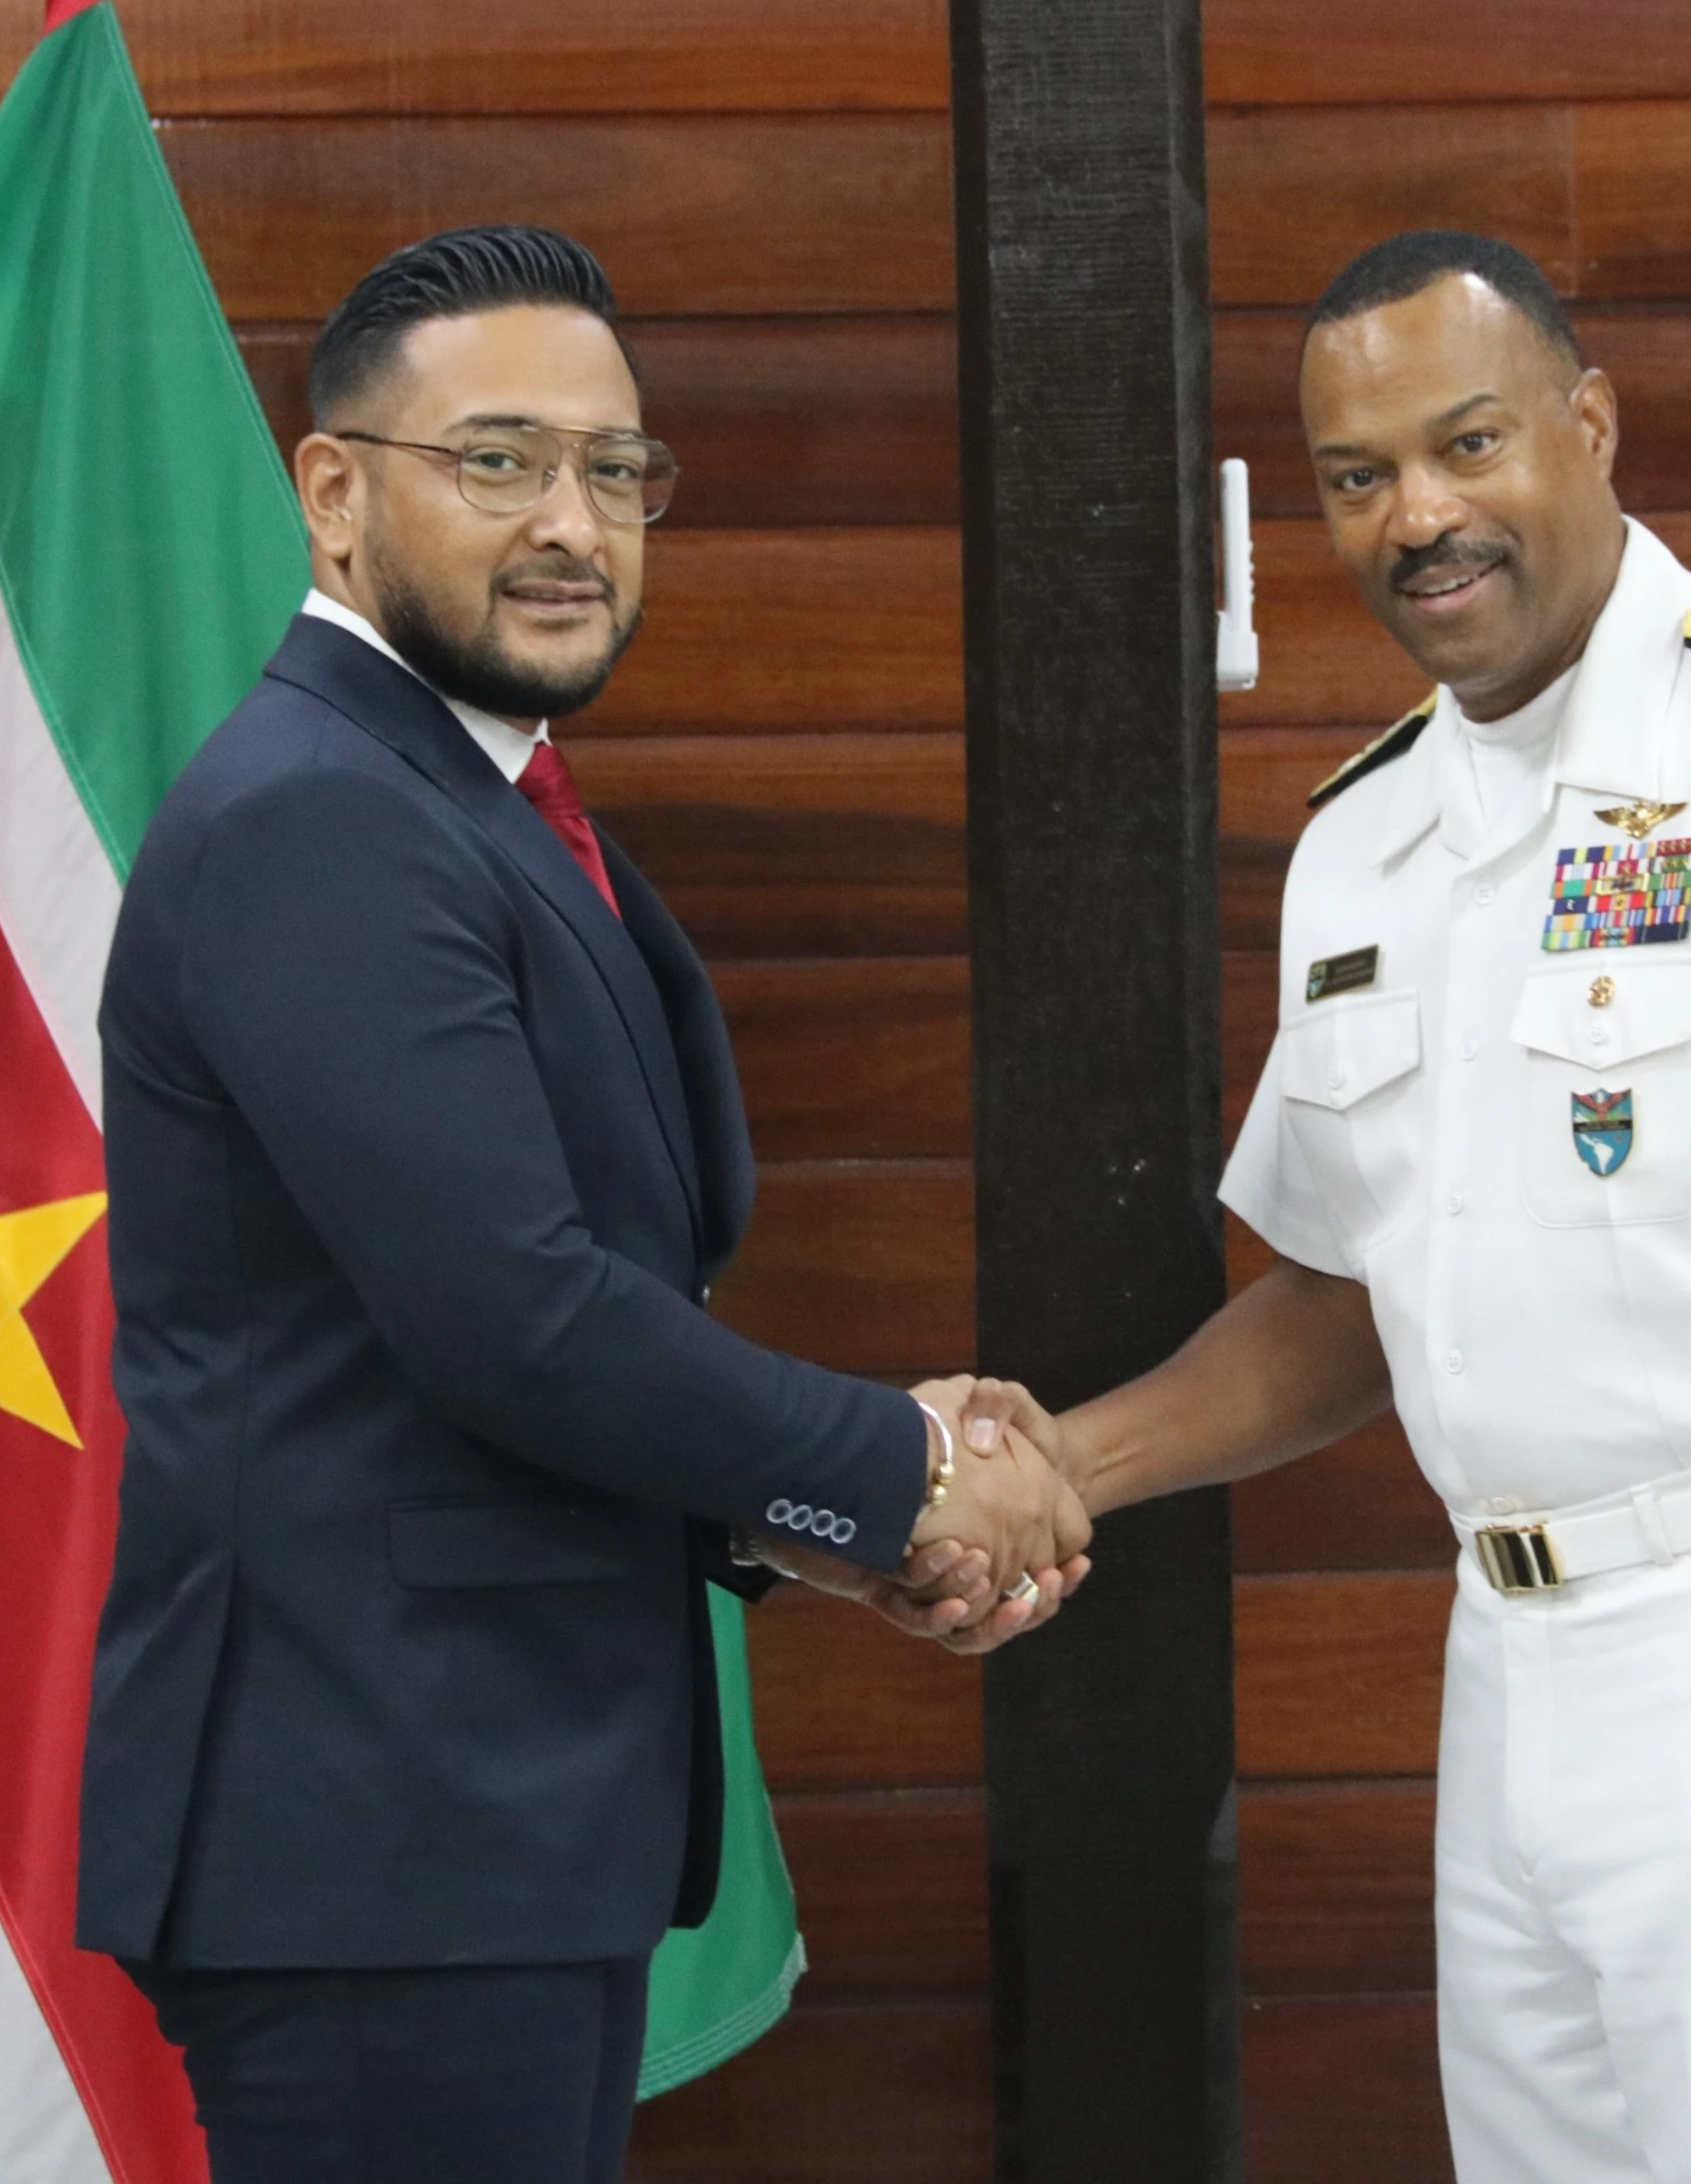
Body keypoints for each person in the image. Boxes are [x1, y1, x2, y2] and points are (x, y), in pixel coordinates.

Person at [967, 230, 1691, 2181]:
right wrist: (1056, 1463)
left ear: (1589, 425)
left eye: (1469, 441)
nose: (1418, 515)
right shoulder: (1368, 841)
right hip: (1509, 1673)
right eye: (1358, 476)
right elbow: (1356, 1296)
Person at [77, 225, 1084, 2184]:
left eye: (619, 472)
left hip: (473, 1828)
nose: (573, 522)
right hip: (384, 1834)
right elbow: (517, 1316)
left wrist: (822, 1522)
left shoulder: (476, 799)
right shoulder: (323, 813)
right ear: (336, 492)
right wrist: (897, 1463)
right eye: (502, 460)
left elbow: (532, 1326)